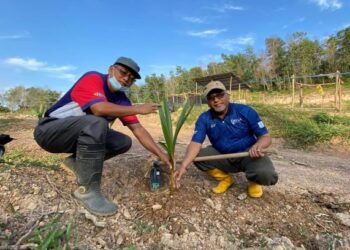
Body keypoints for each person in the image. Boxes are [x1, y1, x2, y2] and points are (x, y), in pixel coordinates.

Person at [34, 57, 170, 216]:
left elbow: (138, 129)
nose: (126, 79)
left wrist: (162, 155)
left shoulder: (121, 100)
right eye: (123, 73)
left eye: (131, 79)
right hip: (49, 132)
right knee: (97, 122)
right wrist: (138, 108)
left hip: (74, 136)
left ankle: (75, 162)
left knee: (123, 142)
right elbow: (99, 108)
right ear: (111, 69)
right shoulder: (93, 78)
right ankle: (87, 191)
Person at [174, 80, 278, 197]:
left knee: (266, 174)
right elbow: (195, 143)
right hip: (223, 155)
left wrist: (258, 146)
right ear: (208, 102)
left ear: (227, 95)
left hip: (248, 154)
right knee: (197, 156)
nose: (216, 100)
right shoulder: (204, 118)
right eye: (211, 97)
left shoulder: (245, 111)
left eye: (220, 95)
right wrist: (184, 166)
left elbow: (265, 137)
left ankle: (254, 181)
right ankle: (226, 179)